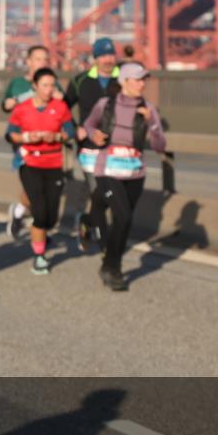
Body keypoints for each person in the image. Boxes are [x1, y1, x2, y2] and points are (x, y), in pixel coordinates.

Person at [82, 62, 166, 291]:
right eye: (137, 79)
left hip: (135, 172)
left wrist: (152, 123)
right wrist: (94, 134)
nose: (142, 84)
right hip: (107, 169)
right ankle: (112, 267)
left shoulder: (149, 109)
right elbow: (88, 124)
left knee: (122, 219)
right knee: (124, 215)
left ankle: (91, 222)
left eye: (143, 79)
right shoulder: (105, 105)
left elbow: (160, 145)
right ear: (124, 82)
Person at [6, 68, 75, 274]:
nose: (49, 90)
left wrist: (58, 137)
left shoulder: (60, 107)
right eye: (44, 85)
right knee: (40, 212)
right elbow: (10, 134)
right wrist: (28, 137)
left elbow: (70, 131)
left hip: (54, 163)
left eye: (52, 85)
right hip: (30, 163)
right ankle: (39, 256)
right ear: (35, 86)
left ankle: (24, 216)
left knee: (51, 218)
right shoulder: (22, 109)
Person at [64, 37, 121, 253]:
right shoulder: (80, 81)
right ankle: (106, 246)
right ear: (95, 58)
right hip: (89, 147)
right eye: (103, 55)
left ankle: (86, 220)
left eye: (111, 54)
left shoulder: (124, 79)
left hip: (117, 148)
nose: (108, 59)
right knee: (98, 191)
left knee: (113, 195)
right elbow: (63, 109)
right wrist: (75, 129)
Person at [1, 45, 63, 239]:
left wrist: (60, 98)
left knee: (41, 190)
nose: (42, 63)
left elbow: (63, 106)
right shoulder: (18, 83)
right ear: (28, 61)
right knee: (34, 187)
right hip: (24, 141)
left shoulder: (52, 83)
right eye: (38, 59)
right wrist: (9, 103)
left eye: (45, 59)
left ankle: (21, 212)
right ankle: (39, 229)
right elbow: (5, 104)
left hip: (48, 143)